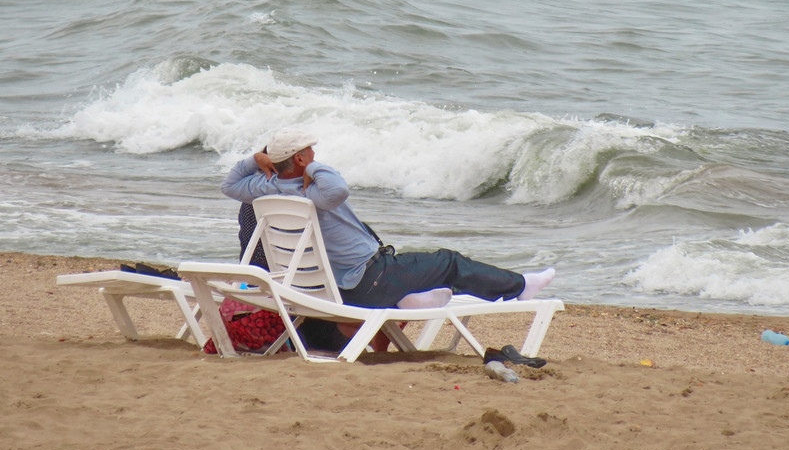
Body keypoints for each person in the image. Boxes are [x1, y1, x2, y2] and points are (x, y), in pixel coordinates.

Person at [221, 129, 556, 348]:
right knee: (448, 261)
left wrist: (255, 160)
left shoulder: (266, 190)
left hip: (328, 287)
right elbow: (339, 188)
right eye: (309, 151)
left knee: (414, 267)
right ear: (298, 158)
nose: (314, 154)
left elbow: (230, 184)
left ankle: (409, 297)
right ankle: (520, 287)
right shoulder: (318, 192)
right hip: (366, 280)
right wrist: (313, 168)